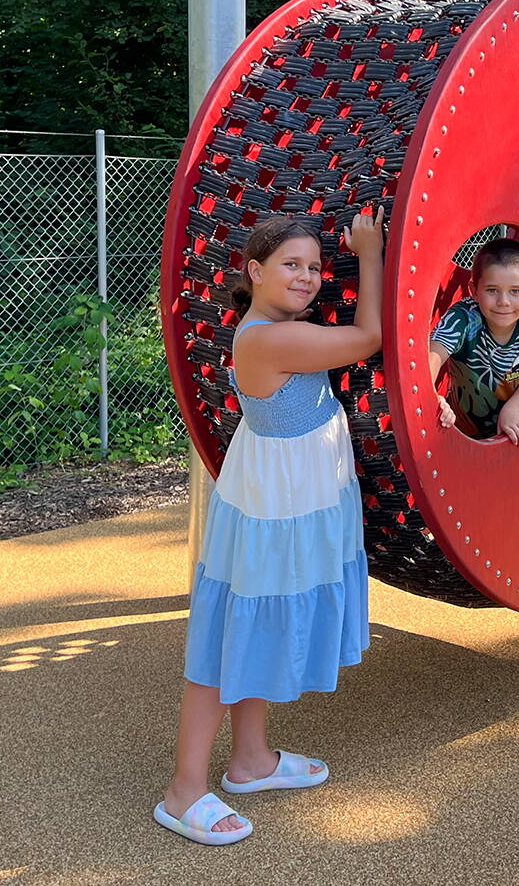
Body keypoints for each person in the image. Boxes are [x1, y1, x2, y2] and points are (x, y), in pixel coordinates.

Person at [154, 210, 382, 846]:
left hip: (293, 499)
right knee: (226, 640)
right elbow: (369, 336)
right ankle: (183, 792)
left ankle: (250, 759)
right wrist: (369, 251)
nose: (308, 277)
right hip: (273, 508)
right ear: (254, 272)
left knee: (249, 629)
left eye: (315, 267)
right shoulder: (267, 339)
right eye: (291, 265)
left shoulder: (283, 327)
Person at [428, 237, 519, 446]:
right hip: (461, 433)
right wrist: (432, 397)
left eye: (515, 291)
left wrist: (513, 409)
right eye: (492, 290)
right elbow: (430, 358)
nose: (503, 301)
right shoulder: (463, 318)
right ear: (474, 290)